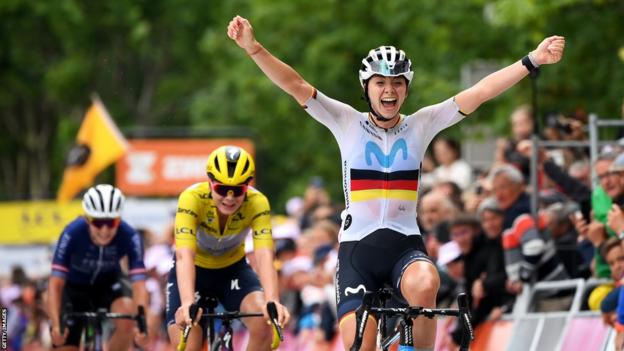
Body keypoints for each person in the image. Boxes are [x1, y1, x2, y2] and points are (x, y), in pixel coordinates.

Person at [227, 15, 565, 350]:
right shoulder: (346, 122)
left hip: (405, 246)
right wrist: (253, 48)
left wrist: (532, 59)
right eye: (381, 83)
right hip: (357, 252)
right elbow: (295, 85)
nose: (389, 90)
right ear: (366, 87)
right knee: (361, 343)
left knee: (426, 281)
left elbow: (480, 93)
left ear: (406, 87)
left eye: (398, 82)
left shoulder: (422, 124)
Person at [166, 145, 289, 351]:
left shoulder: (258, 202)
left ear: (247, 187)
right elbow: (184, 254)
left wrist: (273, 300)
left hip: (233, 269)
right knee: (187, 344)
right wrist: (187, 301)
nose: (229, 198)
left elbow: (264, 254)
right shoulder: (191, 198)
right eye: (222, 189)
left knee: (265, 322)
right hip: (194, 270)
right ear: (210, 183)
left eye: (238, 191)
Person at [47, 184, 148, 350]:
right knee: (63, 343)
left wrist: (142, 325)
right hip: (73, 289)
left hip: (109, 285)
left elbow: (139, 285)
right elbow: (55, 283)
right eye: (98, 222)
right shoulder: (72, 233)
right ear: (87, 219)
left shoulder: (129, 235)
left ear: (119, 220)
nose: (105, 230)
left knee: (128, 321)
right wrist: (56, 325)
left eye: (111, 222)